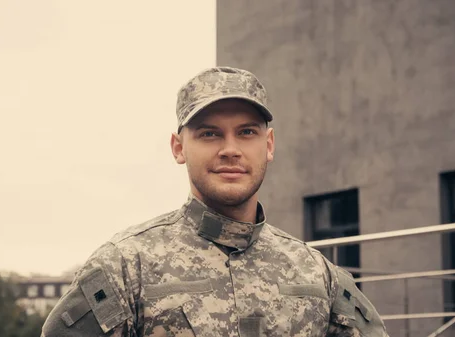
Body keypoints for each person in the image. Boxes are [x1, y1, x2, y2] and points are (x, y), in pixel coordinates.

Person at [41, 66, 389, 337]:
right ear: (178, 147)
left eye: (246, 132)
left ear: (268, 145)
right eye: (209, 133)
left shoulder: (317, 274)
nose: (230, 149)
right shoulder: (125, 268)